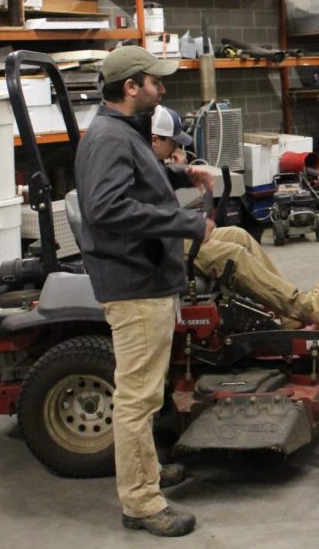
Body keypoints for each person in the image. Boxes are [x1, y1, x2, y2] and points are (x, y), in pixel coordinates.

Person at [74, 46, 214, 539]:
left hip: (145, 280)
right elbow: (108, 208)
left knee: (148, 392)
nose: (161, 88)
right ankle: (141, 502)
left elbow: (135, 183)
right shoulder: (108, 138)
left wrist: (180, 173)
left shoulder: (121, 133)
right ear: (131, 87)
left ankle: (146, 475)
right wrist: (185, 222)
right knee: (137, 398)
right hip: (134, 286)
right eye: (154, 81)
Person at [143, 105, 319, 328]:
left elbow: (162, 186)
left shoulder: (151, 161)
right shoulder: (138, 161)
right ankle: (309, 309)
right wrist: (192, 223)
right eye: (173, 143)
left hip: (172, 233)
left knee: (239, 236)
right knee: (232, 255)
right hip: (161, 244)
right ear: (155, 140)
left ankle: (288, 313)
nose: (177, 148)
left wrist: (183, 172)